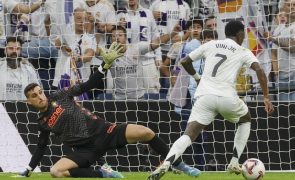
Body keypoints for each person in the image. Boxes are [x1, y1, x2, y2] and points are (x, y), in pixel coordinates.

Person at [18, 42, 199, 178]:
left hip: (105, 131)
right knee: (56, 171)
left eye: (40, 92)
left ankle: (178, 163)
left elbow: (91, 84)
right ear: (29, 102)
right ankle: (102, 173)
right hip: (85, 150)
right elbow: (41, 148)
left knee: (146, 132)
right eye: (34, 95)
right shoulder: (42, 122)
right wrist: (28, 169)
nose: (40, 96)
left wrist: (103, 66)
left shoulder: (60, 95)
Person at [148, 20, 274, 180]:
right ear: (240, 34)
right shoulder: (243, 50)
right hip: (227, 96)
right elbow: (260, 71)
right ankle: (234, 162)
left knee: (189, 134)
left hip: (204, 96)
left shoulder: (211, 44)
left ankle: (166, 163)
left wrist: (197, 78)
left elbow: (185, 61)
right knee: (245, 119)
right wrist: (266, 97)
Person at [0, 36, 40, 101]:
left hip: (23, 109)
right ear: (5, 50)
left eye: (17, 49)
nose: (14, 51)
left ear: (21, 51)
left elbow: (37, 91)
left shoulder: (29, 69)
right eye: (11, 48)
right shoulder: (0, 66)